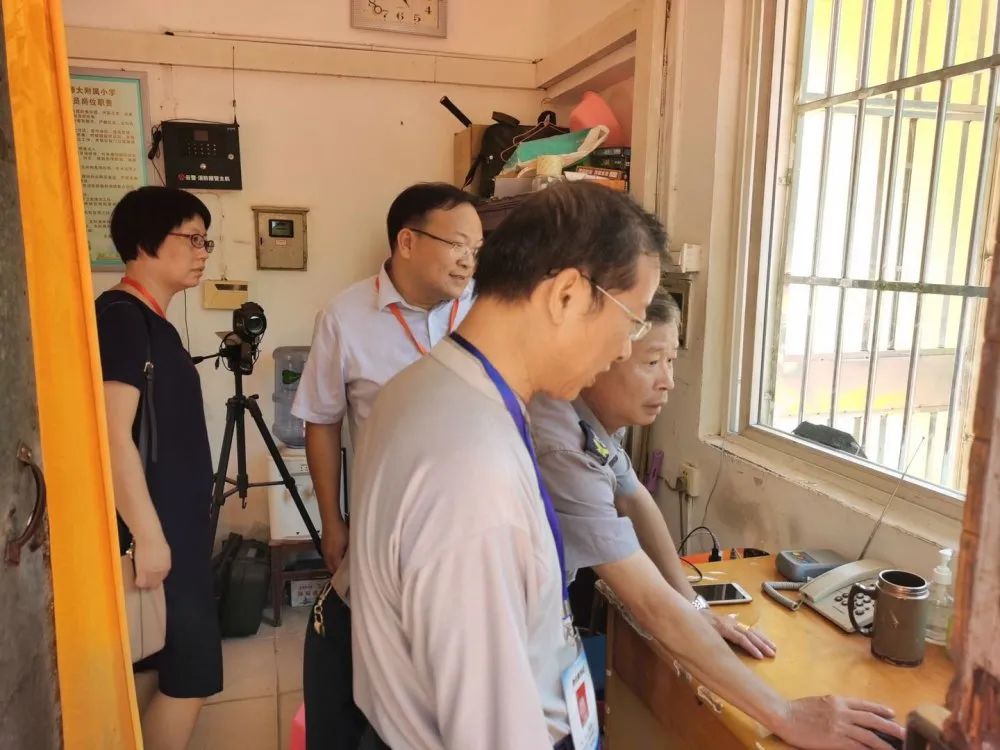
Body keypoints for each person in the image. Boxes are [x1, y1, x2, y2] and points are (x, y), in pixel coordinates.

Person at [350, 182, 666, 749]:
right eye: (632, 320)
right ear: (567, 294)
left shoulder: (428, 385)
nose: (625, 349)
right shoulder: (472, 471)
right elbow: (487, 732)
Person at [529, 289, 906, 750]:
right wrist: (785, 714)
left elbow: (635, 499)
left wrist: (695, 605)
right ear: (602, 352)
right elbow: (646, 601)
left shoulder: (595, 421)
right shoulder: (562, 443)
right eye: (652, 362)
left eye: (672, 361)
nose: (668, 381)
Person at [291, 182, 482, 749]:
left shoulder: (487, 312)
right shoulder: (345, 317)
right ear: (407, 241)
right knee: (385, 684)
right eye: (458, 244)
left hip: (472, 529)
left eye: (477, 249)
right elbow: (321, 420)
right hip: (388, 533)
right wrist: (332, 520)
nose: (469, 260)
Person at [96, 186, 221, 750]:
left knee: (161, 671)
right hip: (155, 533)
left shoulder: (150, 322)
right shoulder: (122, 318)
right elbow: (111, 433)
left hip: (174, 530)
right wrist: (148, 536)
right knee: (189, 675)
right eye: (192, 238)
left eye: (205, 241)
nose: (202, 252)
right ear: (145, 242)